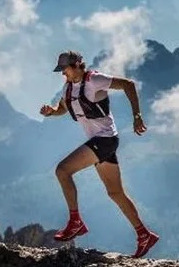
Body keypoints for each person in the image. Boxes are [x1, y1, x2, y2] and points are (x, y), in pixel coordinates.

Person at [39, 50, 160, 258]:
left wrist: (137, 116)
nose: (63, 73)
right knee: (115, 193)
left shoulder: (94, 80)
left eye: (65, 69)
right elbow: (63, 108)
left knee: (63, 170)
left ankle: (75, 221)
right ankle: (144, 234)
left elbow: (128, 84)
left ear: (77, 65)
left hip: (104, 141)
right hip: (102, 143)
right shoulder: (68, 88)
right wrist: (52, 111)